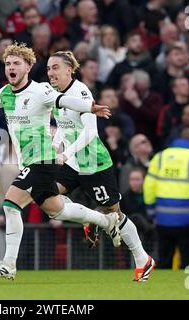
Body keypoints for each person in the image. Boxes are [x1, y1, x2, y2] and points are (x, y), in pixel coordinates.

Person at [0, 43, 129, 280]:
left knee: (10, 204)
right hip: (28, 162)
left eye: (16, 63)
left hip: (43, 160)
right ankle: (106, 220)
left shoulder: (41, 91)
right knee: (57, 210)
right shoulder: (6, 93)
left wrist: (90, 107)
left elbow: (64, 100)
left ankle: (8, 264)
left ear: (28, 67)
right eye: (8, 64)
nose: (11, 67)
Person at [47, 51, 154, 280]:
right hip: (73, 162)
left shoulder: (82, 92)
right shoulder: (56, 95)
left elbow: (90, 132)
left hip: (93, 163)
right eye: (48, 68)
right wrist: (55, 146)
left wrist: (66, 153)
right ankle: (92, 218)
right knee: (47, 195)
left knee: (115, 212)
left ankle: (143, 259)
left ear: (69, 70)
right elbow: (64, 126)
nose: (50, 73)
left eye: (55, 68)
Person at [144, 128, 189, 269]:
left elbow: (148, 187)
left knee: (164, 259)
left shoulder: (160, 157)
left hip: (163, 220)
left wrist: (151, 212)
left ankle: (162, 290)